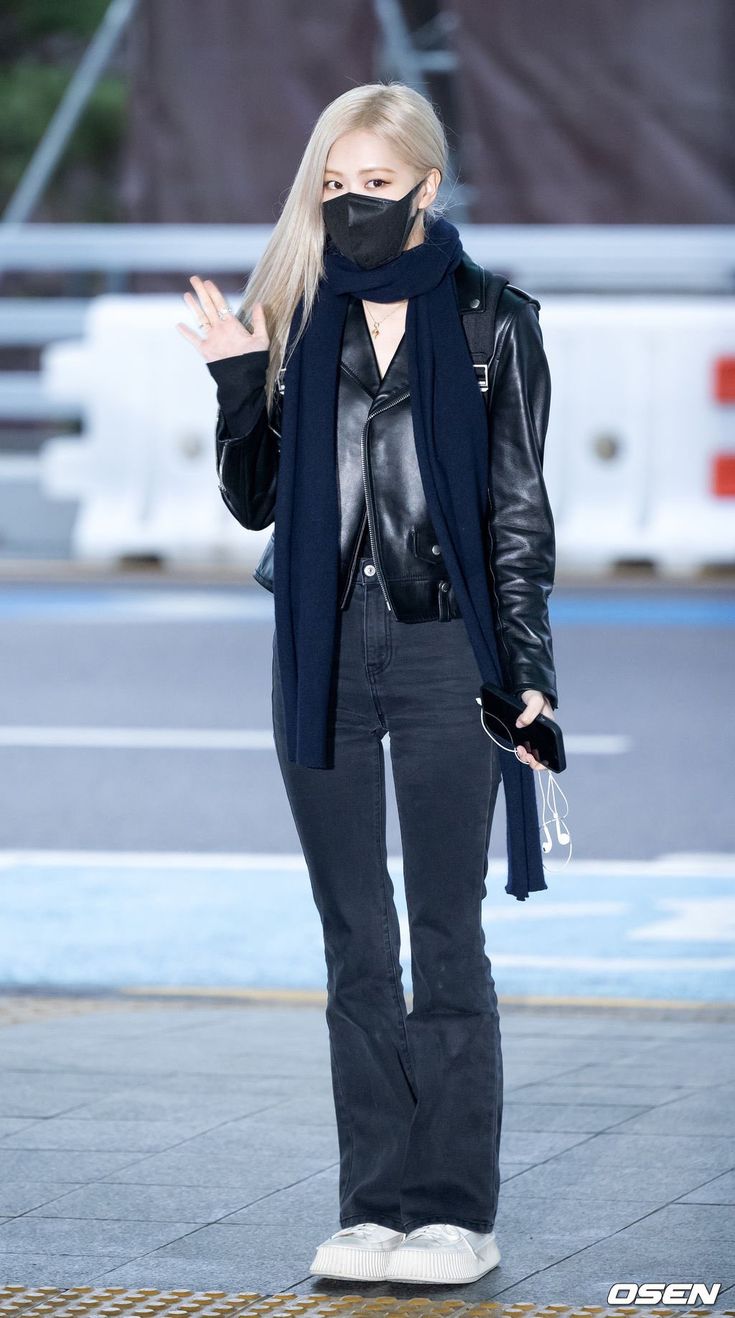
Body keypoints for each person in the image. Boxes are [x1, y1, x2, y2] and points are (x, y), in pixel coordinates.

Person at [176, 81, 559, 1288]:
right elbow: (255, 500)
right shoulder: (294, 315)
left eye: (373, 186)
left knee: (446, 936)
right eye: (331, 186)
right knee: (354, 941)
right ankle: (374, 1204)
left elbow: (516, 516)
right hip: (322, 652)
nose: (347, 207)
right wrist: (241, 382)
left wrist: (531, 674)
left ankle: (451, 1210)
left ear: (427, 190)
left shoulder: (497, 321)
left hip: (451, 654)